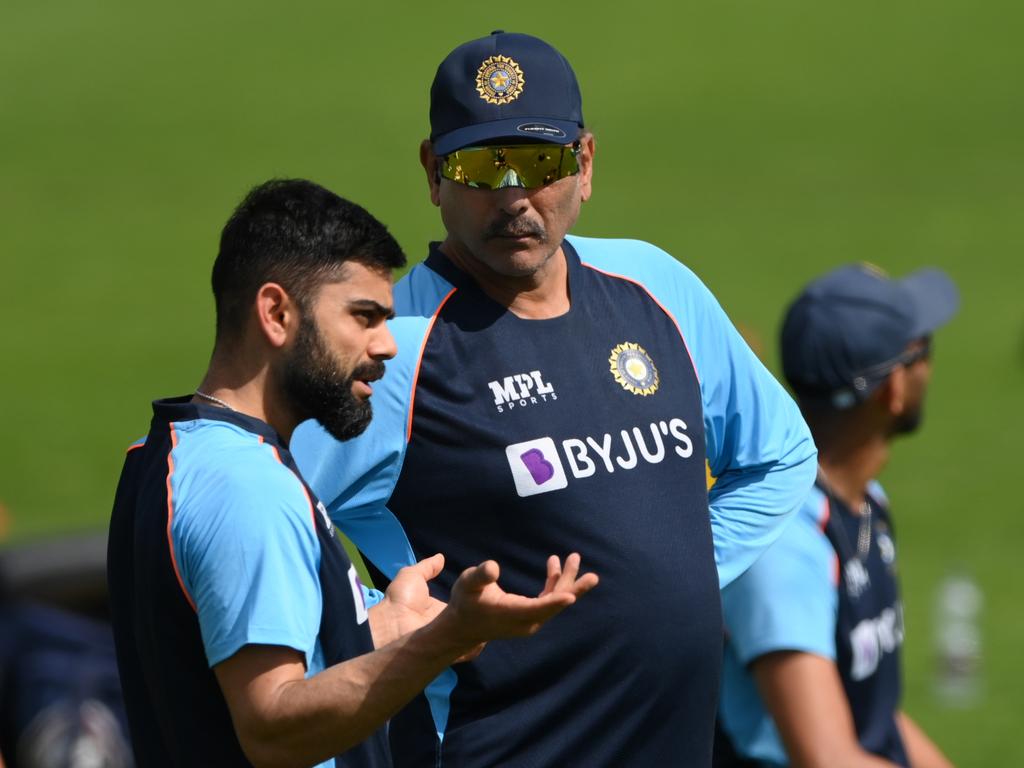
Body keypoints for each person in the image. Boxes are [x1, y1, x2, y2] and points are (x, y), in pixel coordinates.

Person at [291, 31, 817, 766]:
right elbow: (262, 519)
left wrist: (679, 577)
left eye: (539, 163)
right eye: (481, 166)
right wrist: (367, 641)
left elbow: (778, 456)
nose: (512, 195)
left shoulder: (655, 287)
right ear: (434, 172)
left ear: (586, 163)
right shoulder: (395, 348)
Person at [106, 179, 597, 768]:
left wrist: (388, 624)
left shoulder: (165, 452)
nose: (388, 345)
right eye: (363, 316)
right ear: (276, 313)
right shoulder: (249, 489)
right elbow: (272, 727)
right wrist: (446, 640)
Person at [715, 263, 958, 767]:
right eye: (923, 351)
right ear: (892, 389)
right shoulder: (782, 544)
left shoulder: (862, 502)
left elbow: (872, 712)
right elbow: (826, 759)